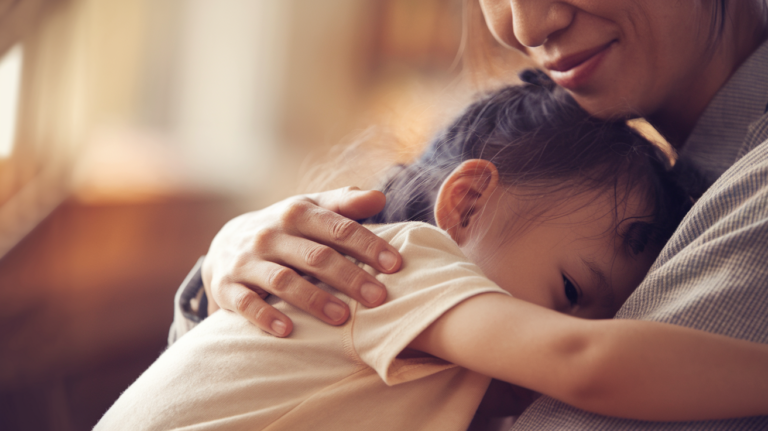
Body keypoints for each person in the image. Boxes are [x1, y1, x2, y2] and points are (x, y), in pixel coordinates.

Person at [172, 1, 768, 429]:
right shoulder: (397, 271)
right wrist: (220, 276)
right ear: (469, 202)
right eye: (568, 291)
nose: (525, 23)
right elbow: (586, 362)